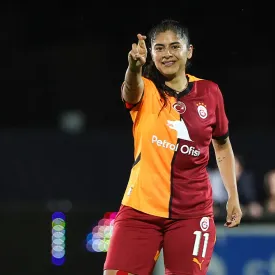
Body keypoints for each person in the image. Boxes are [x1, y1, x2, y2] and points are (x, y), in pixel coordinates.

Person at [103, 19, 242, 275]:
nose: (167, 54)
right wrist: (133, 68)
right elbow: (131, 90)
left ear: (189, 51)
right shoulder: (146, 89)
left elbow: (222, 146)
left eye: (175, 46)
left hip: (192, 213)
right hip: (140, 209)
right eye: (160, 48)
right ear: (151, 54)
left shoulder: (210, 92)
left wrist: (233, 195)